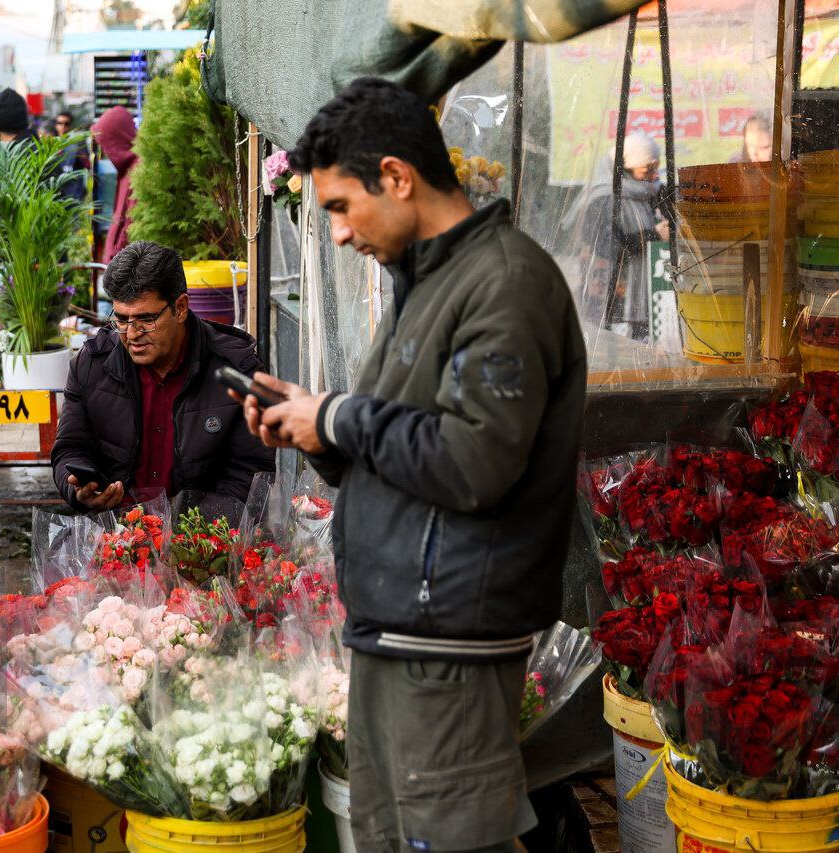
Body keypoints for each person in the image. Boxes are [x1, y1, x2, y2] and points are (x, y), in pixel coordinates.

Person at [233, 78, 586, 853]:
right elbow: (407, 448)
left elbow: (472, 461)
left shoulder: (503, 281)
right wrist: (316, 433)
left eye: (338, 206)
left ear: (396, 177)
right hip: (403, 638)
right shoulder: (428, 283)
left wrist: (336, 415)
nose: (336, 234)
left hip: (450, 650)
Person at [52, 240, 274, 511]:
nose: (132, 334)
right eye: (121, 320)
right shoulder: (91, 364)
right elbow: (70, 448)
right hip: (114, 534)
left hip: (203, 541)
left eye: (146, 319)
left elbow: (251, 477)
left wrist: (183, 535)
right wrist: (80, 489)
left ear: (180, 308)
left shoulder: (238, 371)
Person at [566, 132, 669, 340]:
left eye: (656, 167)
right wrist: (653, 235)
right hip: (612, 299)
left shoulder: (652, 192)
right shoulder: (602, 198)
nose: (654, 175)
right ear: (625, 169)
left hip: (648, 296)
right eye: (647, 169)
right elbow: (606, 245)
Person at [91, 106, 137, 265]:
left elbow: (131, 225)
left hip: (128, 268)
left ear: (117, 138)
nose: (105, 151)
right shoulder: (126, 169)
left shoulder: (137, 170)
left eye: (106, 144)